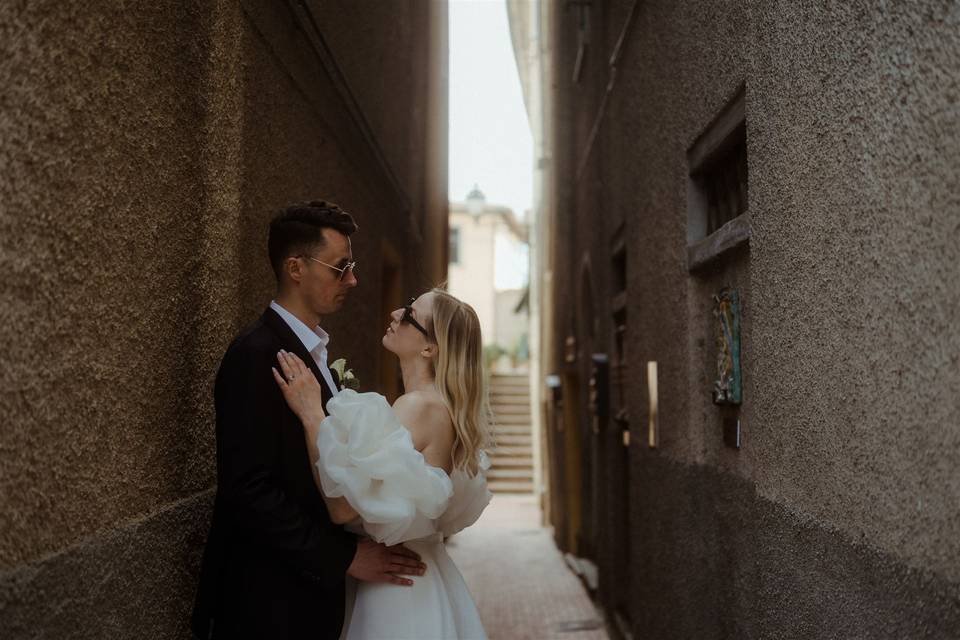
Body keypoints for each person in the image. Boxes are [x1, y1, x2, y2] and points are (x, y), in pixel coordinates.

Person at [192, 201, 425, 640]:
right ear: (295, 268)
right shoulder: (255, 355)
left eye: (352, 266)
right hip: (266, 605)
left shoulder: (315, 355)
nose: (353, 280)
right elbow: (248, 491)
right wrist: (343, 557)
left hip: (308, 601)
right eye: (341, 268)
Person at [272, 288, 492, 640]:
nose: (394, 313)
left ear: (429, 348)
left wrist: (312, 414)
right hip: (422, 575)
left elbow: (343, 510)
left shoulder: (417, 407)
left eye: (409, 314)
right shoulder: (440, 408)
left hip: (397, 590)